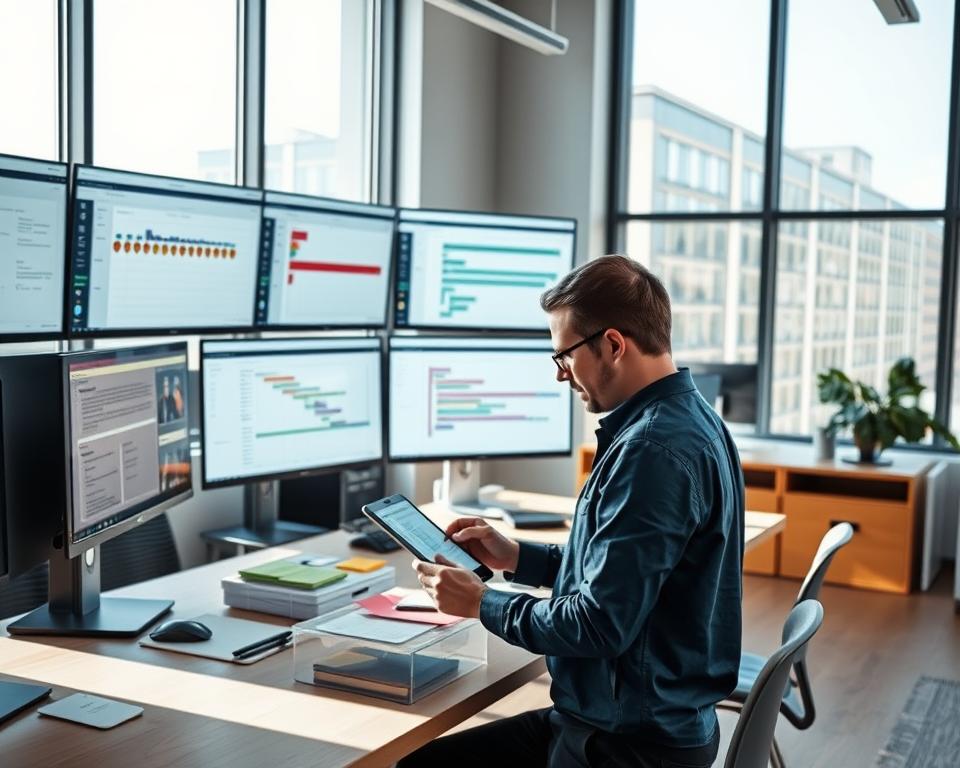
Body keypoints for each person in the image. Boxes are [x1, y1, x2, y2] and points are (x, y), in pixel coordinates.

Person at [403, 255, 745, 768]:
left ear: (612, 344)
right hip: (638, 722)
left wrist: (482, 603)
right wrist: (517, 556)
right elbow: (625, 578)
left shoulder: (652, 451)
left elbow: (598, 624)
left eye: (564, 355)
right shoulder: (689, 420)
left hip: (626, 745)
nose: (562, 375)